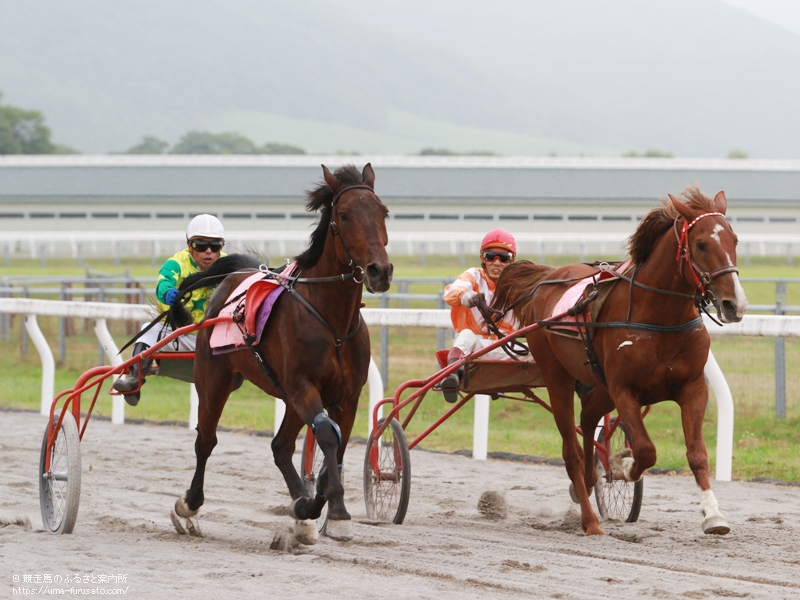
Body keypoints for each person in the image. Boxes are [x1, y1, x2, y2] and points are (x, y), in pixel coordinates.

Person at [112, 214, 227, 406]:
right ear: (189, 246)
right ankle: (135, 380)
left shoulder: (228, 265)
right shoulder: (176, 263)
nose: (209, 252)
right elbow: (163, 281)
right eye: (201, 245)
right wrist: (167, 293)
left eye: (215, 246)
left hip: (216, 337)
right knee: (148, 329)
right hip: (180, 333)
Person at [440, 228, 519, 402]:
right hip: (473, 351)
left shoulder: (519, 284)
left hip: (506, 350)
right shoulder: (474, 275)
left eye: (504, 258)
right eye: (491, 256)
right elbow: (451, 292)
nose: (497, 263)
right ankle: (452, 375)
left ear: (512, 261)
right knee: (467, 335)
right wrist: (464, 296)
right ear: (483, 258)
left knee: (541, 352)